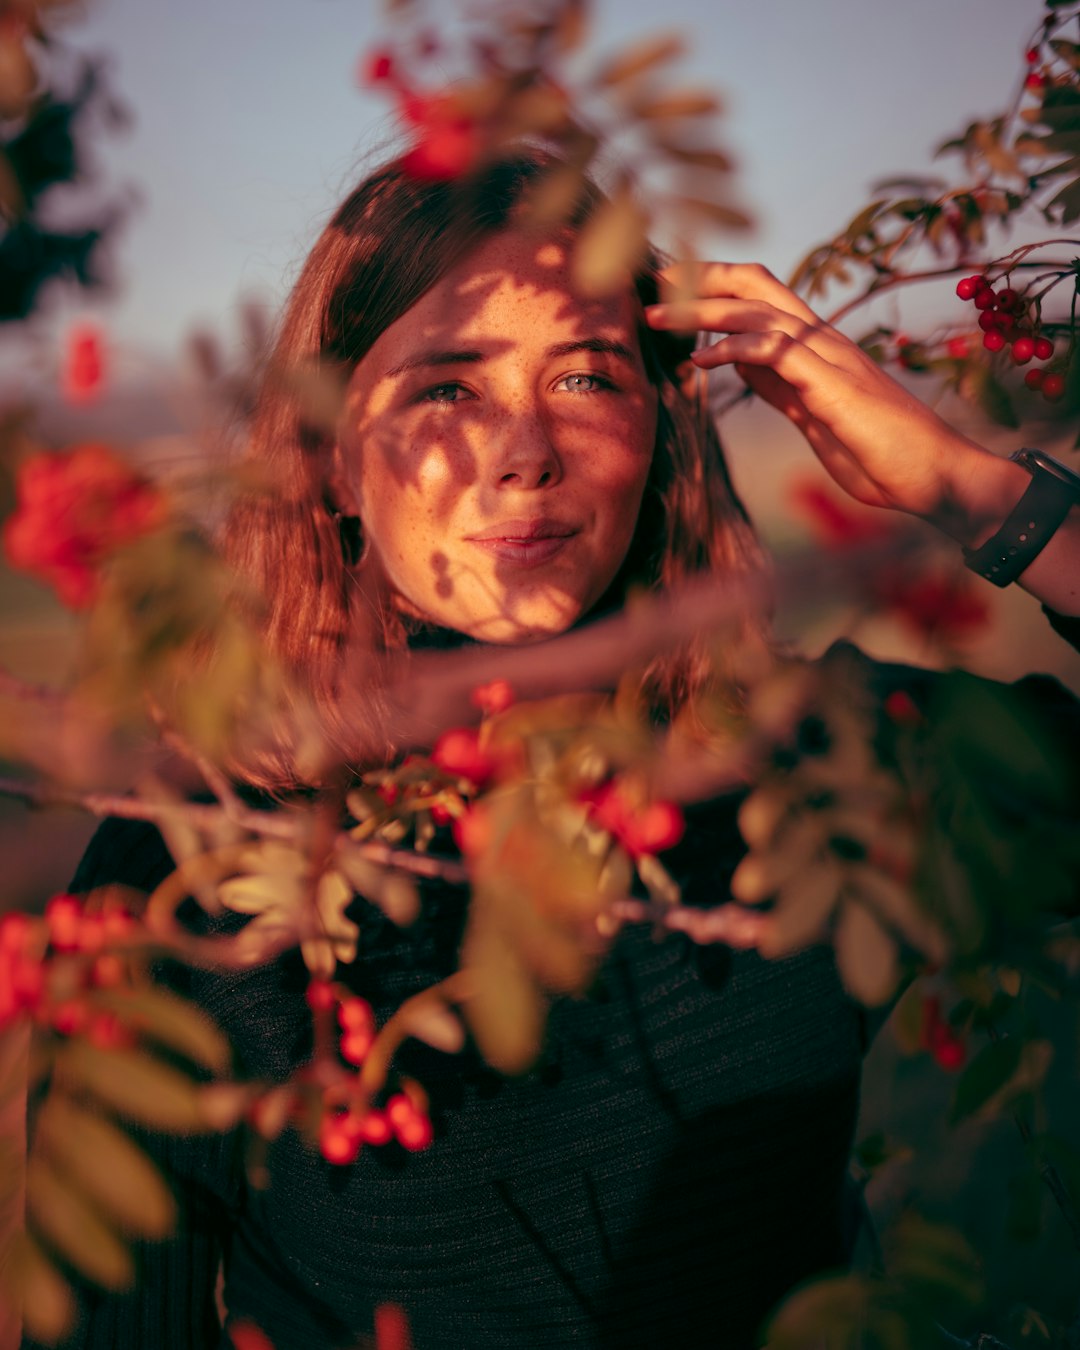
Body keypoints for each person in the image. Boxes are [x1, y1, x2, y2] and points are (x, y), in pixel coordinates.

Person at [28, 149, 1080, 1350]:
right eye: (448, 389)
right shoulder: (190, 865)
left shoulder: (817, 766)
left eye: (585, 379)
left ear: (660, 427)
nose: (525, 449)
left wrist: (974, 490)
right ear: (328, 457)